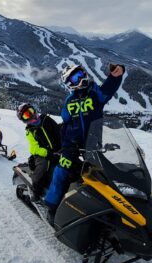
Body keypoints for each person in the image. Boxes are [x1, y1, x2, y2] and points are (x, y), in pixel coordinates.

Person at [44, 63, 125, 225]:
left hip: (93, 144)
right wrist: (66, 144)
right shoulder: (69, 101)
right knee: (61, 171)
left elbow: (108, 89)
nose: (81, 78)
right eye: (76, 77)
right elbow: (66, 123)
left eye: (81, 73)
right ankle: (52, 207)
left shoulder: (95, 92)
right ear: (70, 83)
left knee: (105, 175)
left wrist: (116, 76)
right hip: (72, 145)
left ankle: (113, 209)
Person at [17, 103, 61, 200]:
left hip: (58, 150)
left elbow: (58, 131)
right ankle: (35, 191)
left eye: (31, 111)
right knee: (43, 167)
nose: (31, 115)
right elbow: (34, 148)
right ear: (24, 120)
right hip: (42, 154)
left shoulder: (46, 120)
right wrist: (47, 153)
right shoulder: (30, 131)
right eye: (27, 115)